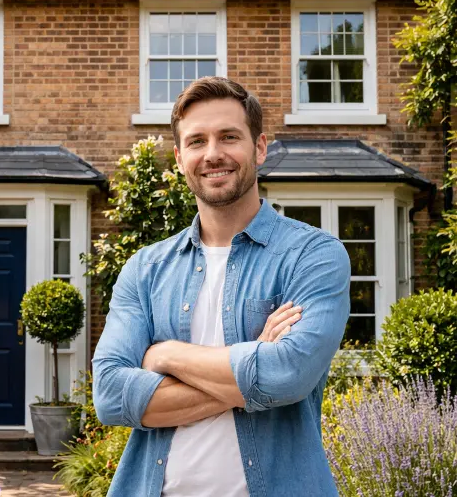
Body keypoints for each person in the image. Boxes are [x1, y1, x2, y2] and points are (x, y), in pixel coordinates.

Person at [92, 77, 351, 497]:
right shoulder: (146, 269)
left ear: (260, 148)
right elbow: (110, 395)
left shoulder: (312, 255)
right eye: (197, 141)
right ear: (179, 158)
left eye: (229, 137)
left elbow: (288, 375)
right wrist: (253, 366)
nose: (213, 154)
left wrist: (165, 355)